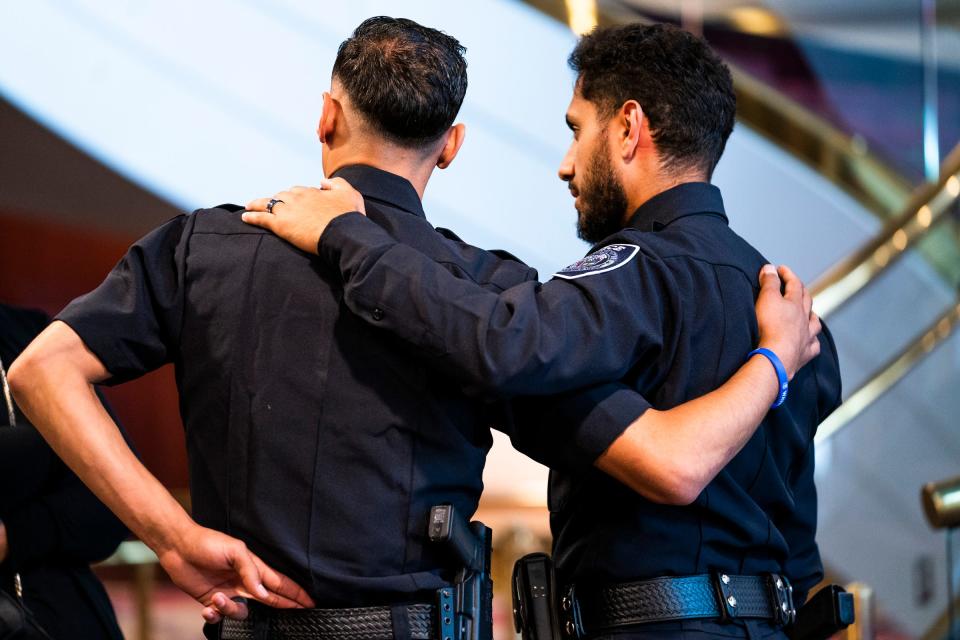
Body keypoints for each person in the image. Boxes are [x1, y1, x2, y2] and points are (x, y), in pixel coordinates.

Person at [10, 17, 817, 640]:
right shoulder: (487, 294)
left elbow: (40, 372)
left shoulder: (201, 246)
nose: (569, 162)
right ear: (453, 147)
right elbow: (663, 460)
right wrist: (773, 362)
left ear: (327, 116)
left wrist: (172, 535)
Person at [241, 22, 842, 640]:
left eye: (577, 130)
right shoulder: (793, 313)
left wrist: (347, 236)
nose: (564, 166)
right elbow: (797, 550)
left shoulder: (628, 278)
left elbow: (496, 342)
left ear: (629, 129)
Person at [1, 302, 126, 639]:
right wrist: (54, 448)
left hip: (70, 617)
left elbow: (111, 508)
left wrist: (12, 535)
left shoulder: (31, 332)